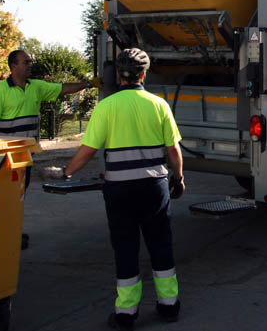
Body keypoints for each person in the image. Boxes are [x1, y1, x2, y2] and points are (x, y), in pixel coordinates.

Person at [62, 48, 185, 330]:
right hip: (154, 188)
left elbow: (88, 150)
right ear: (144, 74)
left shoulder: (107, 106)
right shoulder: (159, 105)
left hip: (119, 191)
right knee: (161, 244)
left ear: (119, 75)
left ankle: (126, 313)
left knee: (126, 248)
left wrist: (66, 172)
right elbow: (173, 150)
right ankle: (169, 306)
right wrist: (177, 179)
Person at [0, 49, 92, 249]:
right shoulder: (1, 90)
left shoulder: (35, 87)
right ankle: (3, 234)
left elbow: (62, 88)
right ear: (13, 66)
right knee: (6, 196)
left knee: (19, 194)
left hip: (25, 156)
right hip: (7, 156)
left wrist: (87, 84)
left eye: (30, 62)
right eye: (25, 62)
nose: (30, 65)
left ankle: (13, 232)